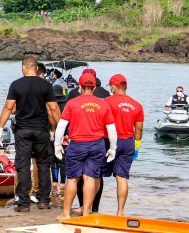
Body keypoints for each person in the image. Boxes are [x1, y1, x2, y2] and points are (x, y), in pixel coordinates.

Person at [0, 55, 61, 212]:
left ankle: (24, 203)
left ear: (23, 68)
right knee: (44, 164)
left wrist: (0, 128)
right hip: (41, 130)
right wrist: (60, 129)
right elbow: (53, 108)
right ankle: (44, 200)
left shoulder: (16, 85)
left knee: (23, 165)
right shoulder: (46, 85)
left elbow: (8, 107)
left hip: (23, 130)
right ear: (37, 68)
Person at [53, 72, 118, 219]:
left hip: (77, 145)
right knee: (90, 178)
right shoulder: (104, 104)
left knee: (72, 179)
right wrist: (113, 148)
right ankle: (87, 212)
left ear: (80, 87)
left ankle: (65, 213)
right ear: (94, 87)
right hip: (97, 145)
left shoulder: (72, 103)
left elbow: (61, 127)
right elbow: (111, 129)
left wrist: (57, 145)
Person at [68, 68, 109, 212]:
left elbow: (67, 116)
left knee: (77, 175)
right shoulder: (105, 94)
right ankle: (93, 207)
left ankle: (82, 206)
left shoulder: (74, 94)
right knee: (96, 175)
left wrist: (64, 136)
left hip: (79, 138)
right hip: (101, 138)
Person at [104, 74, 144, 216]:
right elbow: (138, 129)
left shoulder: (107, 101)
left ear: (114, 86)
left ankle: (89, 208)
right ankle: (120, 212)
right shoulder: (137, 105)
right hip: (128, 142)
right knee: (122, 177)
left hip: (110, 141)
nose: (110, 89)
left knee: (95, 174)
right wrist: (136, 147)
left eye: (110, 86)